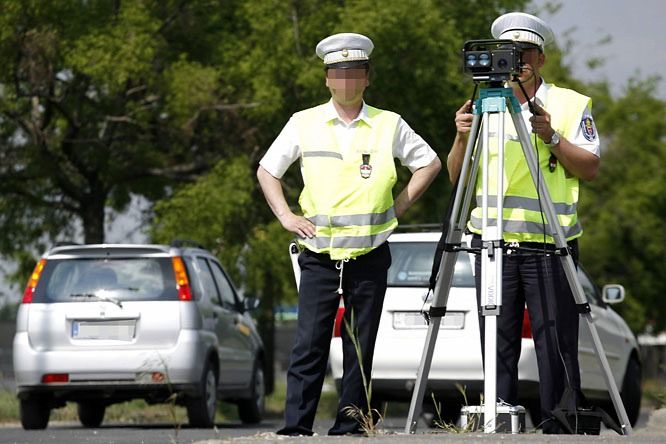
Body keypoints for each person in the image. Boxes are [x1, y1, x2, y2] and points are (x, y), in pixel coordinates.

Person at [257, 32, 441, 436]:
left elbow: (429, 163)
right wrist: (286, 215)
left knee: (360, 345)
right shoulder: (303, 123)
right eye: (338, 74)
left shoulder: (388, 123)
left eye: (354, 73)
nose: (346, 81)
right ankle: (297, 427)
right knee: (309, 343)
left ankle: (351, 425)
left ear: (367, 77)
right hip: (319, 253)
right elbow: (267, 170)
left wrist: (399, 207)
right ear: (326, 79)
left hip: (370, 252)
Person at [447, 12, 600, 433]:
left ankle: (560, 425)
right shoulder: (485, 103)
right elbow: (457, 177)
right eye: (511, 53)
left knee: (555, 344)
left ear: (542, 59)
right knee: (496, 343)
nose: (519, 61)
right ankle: (499, 420)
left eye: (527, 53)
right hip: (491, 242)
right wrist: (461, 136)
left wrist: (551, 135)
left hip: (550, 243)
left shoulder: (571, 103)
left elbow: (589, 167)